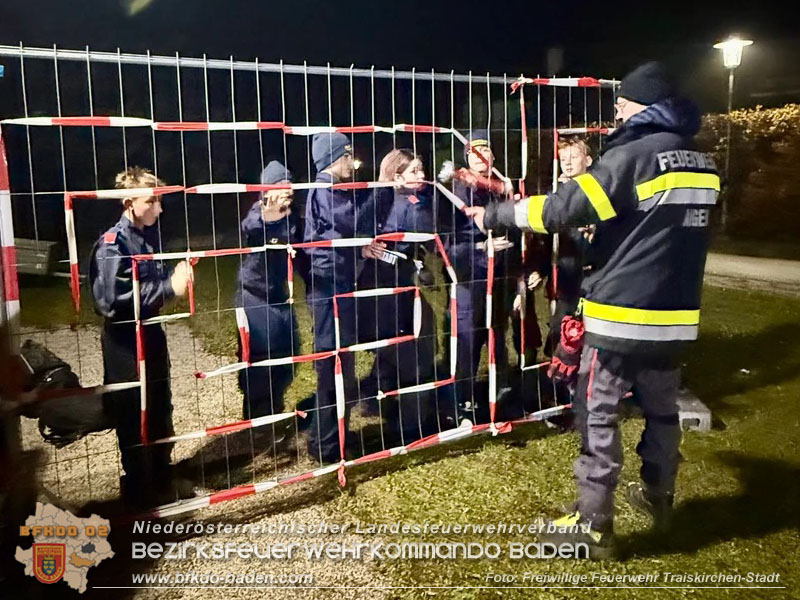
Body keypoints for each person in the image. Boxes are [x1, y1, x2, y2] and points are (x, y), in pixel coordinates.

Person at [468, 62, 720, 557]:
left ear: (645, 105)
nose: (617, 111)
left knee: (597, 413)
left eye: (623, 103)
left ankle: (593, 525)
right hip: (676, 317)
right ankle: (658, 496)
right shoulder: (704, 162)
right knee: (663, 412)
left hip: (621, 315)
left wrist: (497, 213)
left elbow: (564, 209)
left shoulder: (634, 156)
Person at [89, 166, 193, 507]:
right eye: (152, 201)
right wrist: (169, 287)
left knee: (160, 403)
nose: (159, 209)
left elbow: (152, 282)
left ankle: (161, 476)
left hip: (150, 333)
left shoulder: (147, 236)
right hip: (124, 343)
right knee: (134, 413)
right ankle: (138, 489)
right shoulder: (112, 244)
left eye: (160, 202)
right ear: (129, 202)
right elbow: (111, 302)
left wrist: (172, 280)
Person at [303, 132, 385, 463]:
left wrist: (360, 249)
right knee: (334, 367)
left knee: (341, 365)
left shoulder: (330, 190)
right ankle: (325, 447)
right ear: (337, 158)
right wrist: (380, 189)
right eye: (349, 156)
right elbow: (349, 225)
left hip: (336, 285)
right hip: (330, 289)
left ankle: (334, 435)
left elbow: (341, 237)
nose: (354, 162)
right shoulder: (326, 190)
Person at [442, 130, 514, 426]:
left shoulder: (502, 187)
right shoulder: (455, 191)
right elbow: (447, 244)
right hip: (469, 280)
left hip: (500, 279)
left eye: (485, 151)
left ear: (493, 156)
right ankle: (460, 405)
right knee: (467, 342)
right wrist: (482, 248)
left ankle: (501, 396)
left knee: (497, 336)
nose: (480, 157)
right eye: (473, 152)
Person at [366, 149, 437, 443]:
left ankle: (376, 397)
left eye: (422, 170)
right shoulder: (403, 204)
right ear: (397, 176)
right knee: (415, 349)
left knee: (393, 345)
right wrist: (409, 262)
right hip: (389, 288)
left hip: (395, 287)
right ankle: (412, 424)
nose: (422, 176)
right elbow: (382, 251)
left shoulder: (394, 200)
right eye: (414, 171)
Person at [235, 161, 299, 445]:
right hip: (254, 296)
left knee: (291, 354)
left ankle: (274, 409)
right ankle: (258, 422)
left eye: (290, 185)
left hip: (281, 297)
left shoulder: (290, 215)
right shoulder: (259, 213)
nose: (289, 191)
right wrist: (268, 215)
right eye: (281, 186)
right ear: (268, 191)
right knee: (259, 361)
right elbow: (250, 227)